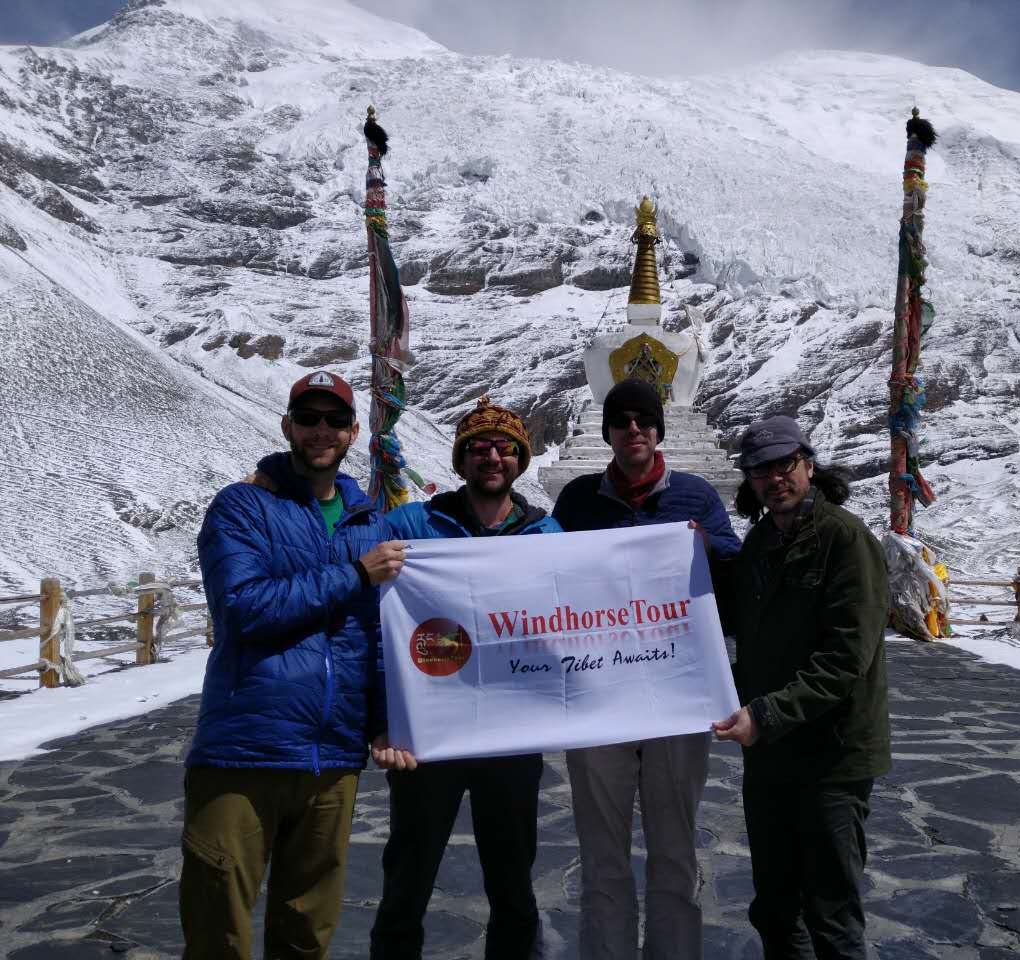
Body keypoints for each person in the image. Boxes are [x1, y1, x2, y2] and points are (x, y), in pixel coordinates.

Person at [182, 370, 407, 960]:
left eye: (335, 420)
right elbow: (243, 609)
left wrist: (385, 721)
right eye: (309, 418)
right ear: (288, 426)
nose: (321, 430)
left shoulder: (370, 522)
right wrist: (354, 573)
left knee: (308, 935)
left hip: (332, 758)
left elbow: (379, 637)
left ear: (354, 432)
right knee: (217, 931)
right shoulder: (244, 506)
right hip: (245, 749)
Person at [552, 378, 740, 960]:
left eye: (643, 419)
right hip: (599, 699)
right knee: (602, 854)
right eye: (621, 419)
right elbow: (545, 578)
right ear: (606, 430)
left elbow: (733, 573)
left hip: (674, 699)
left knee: (675, 851)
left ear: (659, 428)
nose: (633, 429)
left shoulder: (696, 497)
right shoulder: (577, 500)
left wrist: (704, 546)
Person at [369, 396, 560, 960]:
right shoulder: (411, 523)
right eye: (479, 448)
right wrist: (384, 717)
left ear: (521, 459)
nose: (493, 457)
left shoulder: (547, 536)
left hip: (511, 733)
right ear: (461, 460)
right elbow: (376, 614)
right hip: (430, 733)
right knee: (408, 875)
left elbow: (575, 618)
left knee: (512, 881)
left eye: (505, 448)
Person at [712, 415, 891, 960]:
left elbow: (845, 658)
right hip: (771, 758)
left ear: (808, 466)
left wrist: (763, 714)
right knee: (774, 907)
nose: (773, 479)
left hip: (832, 757)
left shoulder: (845, 538)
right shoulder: (761, 541)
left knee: (831, 912)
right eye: (759, 471)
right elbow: (745, 631)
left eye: (783, 465)